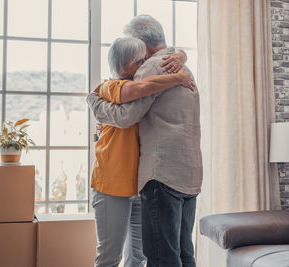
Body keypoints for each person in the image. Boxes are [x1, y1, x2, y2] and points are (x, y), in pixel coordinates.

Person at [87, 15, 203, 267]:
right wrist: (182, 55)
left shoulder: (152, 67)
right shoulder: (182, 66)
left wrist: (95, 104)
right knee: (184, 253)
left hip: (162, 173)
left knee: (162, 256)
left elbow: (127, 116)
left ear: (140, 44)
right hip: (188, 173)